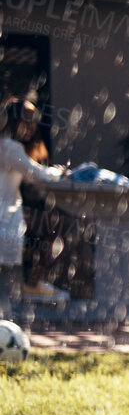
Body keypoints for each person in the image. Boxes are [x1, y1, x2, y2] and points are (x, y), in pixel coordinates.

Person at [0, 98, 70, 305]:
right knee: (55, 224)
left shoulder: (10, 147)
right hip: (5, 220)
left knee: (49, 221)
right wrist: (63, 173)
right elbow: (36, 174)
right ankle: (32, 283)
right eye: (26, 120)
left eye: (35, 120)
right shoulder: (8, 147)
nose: (32, 126)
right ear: (11, 120)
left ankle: (31, 282)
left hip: (10, 216)